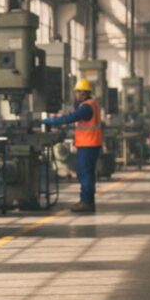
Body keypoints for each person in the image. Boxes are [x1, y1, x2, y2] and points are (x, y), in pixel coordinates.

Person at [42, 79, 102, 213]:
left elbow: (70, 118)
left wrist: (51, 121)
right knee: (88, 174)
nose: (76, 95)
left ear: (84, 93)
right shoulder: (93, 104)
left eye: (78, 92)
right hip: (92, 144)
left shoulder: (86, 107)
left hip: (88, 145)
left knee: (84, 174)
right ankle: (87, 201)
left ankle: (86, 203)